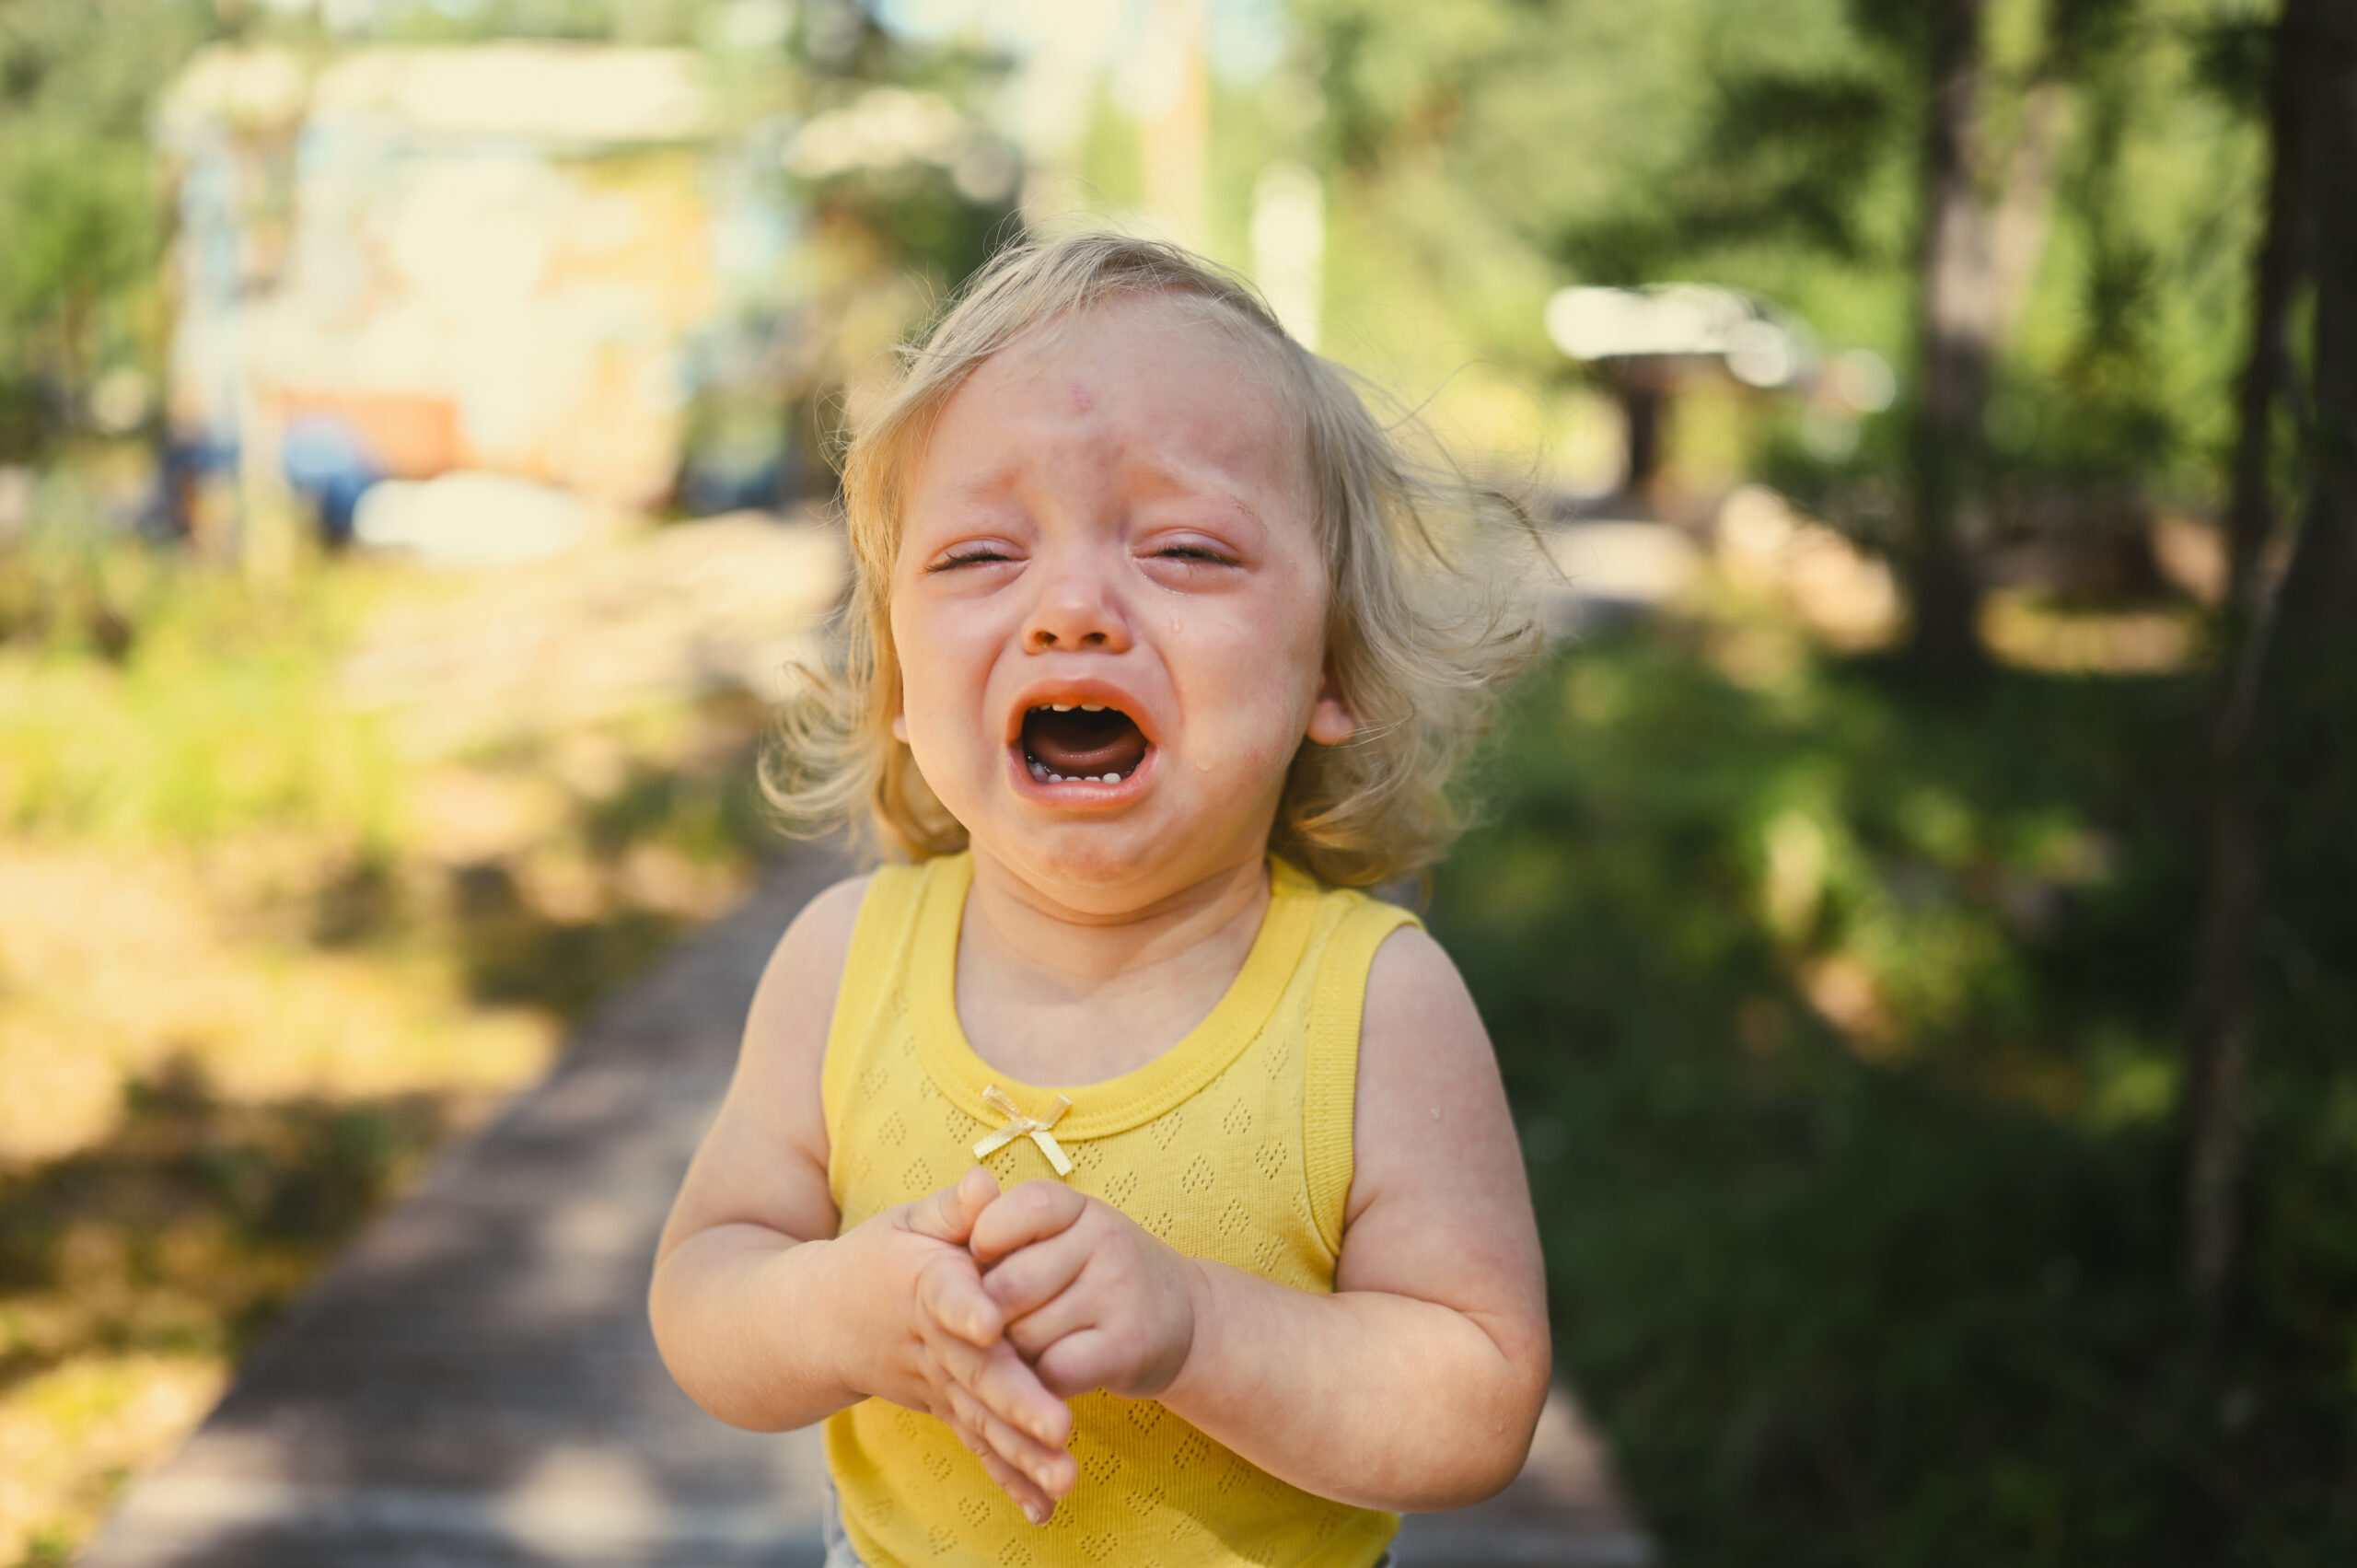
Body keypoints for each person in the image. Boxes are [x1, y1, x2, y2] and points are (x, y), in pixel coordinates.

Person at [649, 233, 1550, 1568]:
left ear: (1329, 667)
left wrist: (1196, 1324)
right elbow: (703, 1296)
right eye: (977, 558)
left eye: (1184, 549)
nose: (1072, 607)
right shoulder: (842, 965)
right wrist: (842, 1310)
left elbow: (1475, 1401)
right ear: (897, 677)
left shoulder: (1374, 1005)